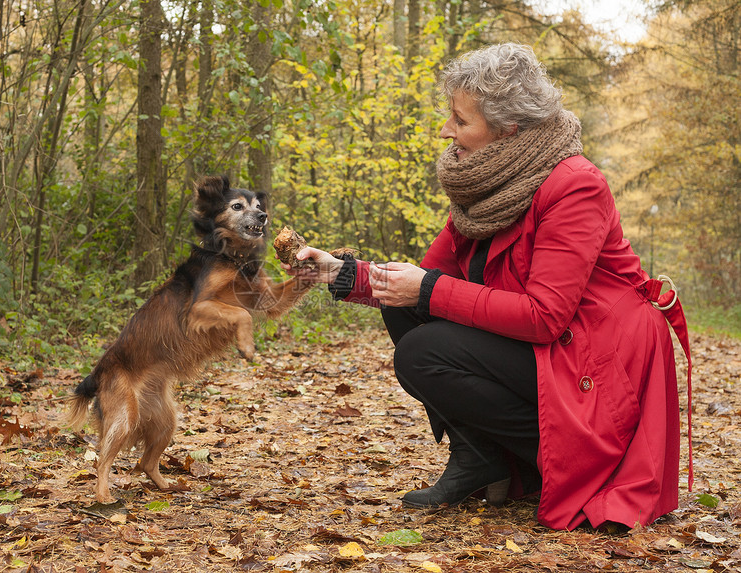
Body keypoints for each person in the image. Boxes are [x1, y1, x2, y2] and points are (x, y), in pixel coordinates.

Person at [282, 43, 689, 531]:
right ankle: (482, 459)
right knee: (403, 308)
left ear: (507, 128)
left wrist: (427, 288)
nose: (446, 130)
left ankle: (562, 460)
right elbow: (426, 275)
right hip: (556, 345)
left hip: (596, 352)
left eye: (460, 119)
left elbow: (544, 316)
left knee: (423, 349)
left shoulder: (575, 184)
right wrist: (338, 272)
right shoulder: (492, 184)